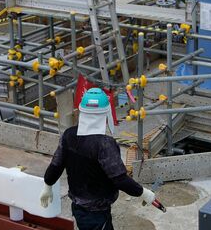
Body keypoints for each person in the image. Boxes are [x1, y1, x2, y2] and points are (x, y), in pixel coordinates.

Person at [39, 88, 155, 230]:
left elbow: (56, 164)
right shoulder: (104, 144)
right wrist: (143, 193)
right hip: (97, 210)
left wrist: (47, 185)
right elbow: (120, 179)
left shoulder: (69, 135)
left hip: (78, 206)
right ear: (105, 114)